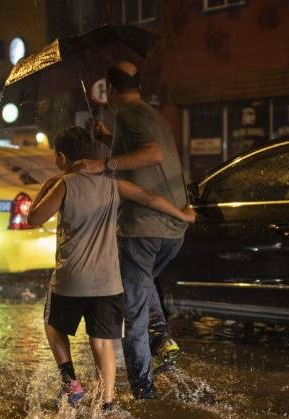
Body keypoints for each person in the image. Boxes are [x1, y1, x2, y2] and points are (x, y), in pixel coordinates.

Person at [28, 127, 194, 410]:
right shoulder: (112, 183)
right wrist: (183, 214)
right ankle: (107, 403)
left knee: (52, 324)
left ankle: (71, 381)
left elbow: (34, 218)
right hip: (108, 283)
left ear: (61, 157)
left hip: (72, 280)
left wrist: (49, 184)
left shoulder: (63, 184)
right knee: (103, 341)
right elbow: (148, 198)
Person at [76, 60, 190, 400]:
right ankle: (161, 338)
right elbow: (147, 150)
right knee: (141, 284)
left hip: (144, 227)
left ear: (110, 88)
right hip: (173, 229)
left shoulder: (127, 115)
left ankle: (144, 391)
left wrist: (106, 163)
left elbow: (152, 155)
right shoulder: (153, 115)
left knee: (133, 311)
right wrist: (109, 140)